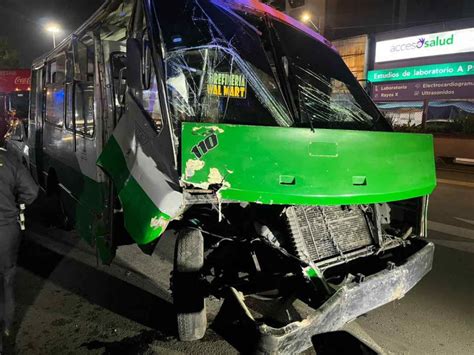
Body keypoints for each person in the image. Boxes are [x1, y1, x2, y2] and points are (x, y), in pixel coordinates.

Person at [0, 147, 38, 352]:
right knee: (6, 284)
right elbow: (31, 192)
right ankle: (6, 332)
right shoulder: (9, 158)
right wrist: (15, 201)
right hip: (6, 231)